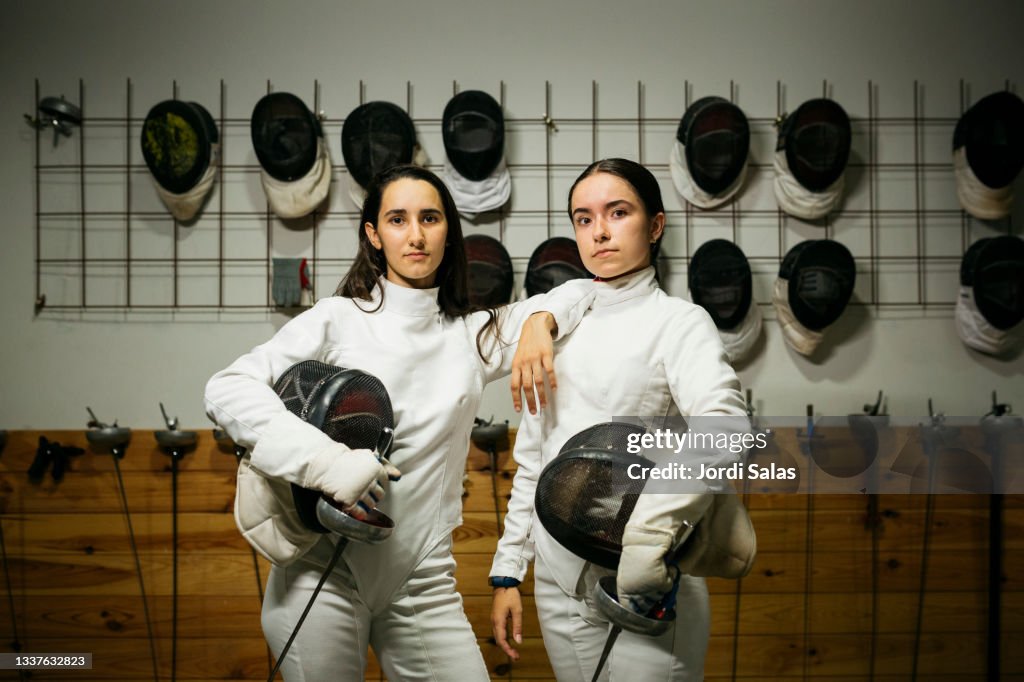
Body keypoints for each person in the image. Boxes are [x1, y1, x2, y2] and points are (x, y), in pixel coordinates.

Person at [204, 164, 594, 681]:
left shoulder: (473, 336)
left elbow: (582, 291)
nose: (415, 234)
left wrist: (539, 324)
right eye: (397, 219)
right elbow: (227, 388)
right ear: (373, 234)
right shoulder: (338, 319)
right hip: (321, 570)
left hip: (422, 578)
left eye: (430, 218)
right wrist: (326, 462)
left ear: (449, 232)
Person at [490, 158, 747, 681]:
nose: (600, 231)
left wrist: (650, 537)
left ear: (654, 226)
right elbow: (537, 457)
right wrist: (507, 572)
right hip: (560, 585)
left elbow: (726, 432)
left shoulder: (679, 323)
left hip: (646, 581)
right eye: (583, 219)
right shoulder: (557, 325)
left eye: (618, 212)